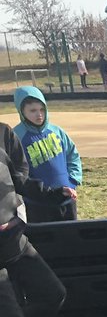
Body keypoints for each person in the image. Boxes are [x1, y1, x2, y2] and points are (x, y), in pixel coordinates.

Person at [0, 123, 69, 317]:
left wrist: (51, 194)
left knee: (53, 293)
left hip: (14, 240)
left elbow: (18, 177)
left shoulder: (4, 134)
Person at [13, 85, 82, 222]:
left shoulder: (57, 132)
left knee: (71, 237)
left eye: (42, 110)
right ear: (22, 111)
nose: (39, 114)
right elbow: (18, 174)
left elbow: (72, 155)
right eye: (32, 110)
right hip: (38, 204)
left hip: (67, 199)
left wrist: (73, 180)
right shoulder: (17, 137)